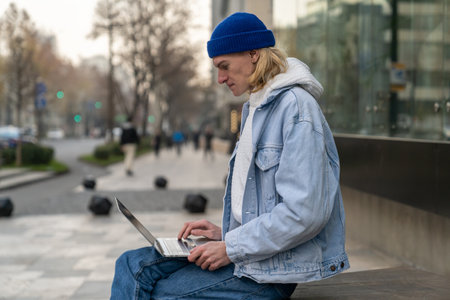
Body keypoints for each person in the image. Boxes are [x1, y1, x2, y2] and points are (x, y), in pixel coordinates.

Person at [111, 12, 349, 299]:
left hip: (271, 272)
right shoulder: (254, 107)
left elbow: (304, 214)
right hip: (251, 255)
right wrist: (223, 234)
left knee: (160, 293)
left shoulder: (296, 108)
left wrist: (231, 247)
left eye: (224, 66)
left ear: (253, 54)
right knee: (130, 264)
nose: (221, 78)